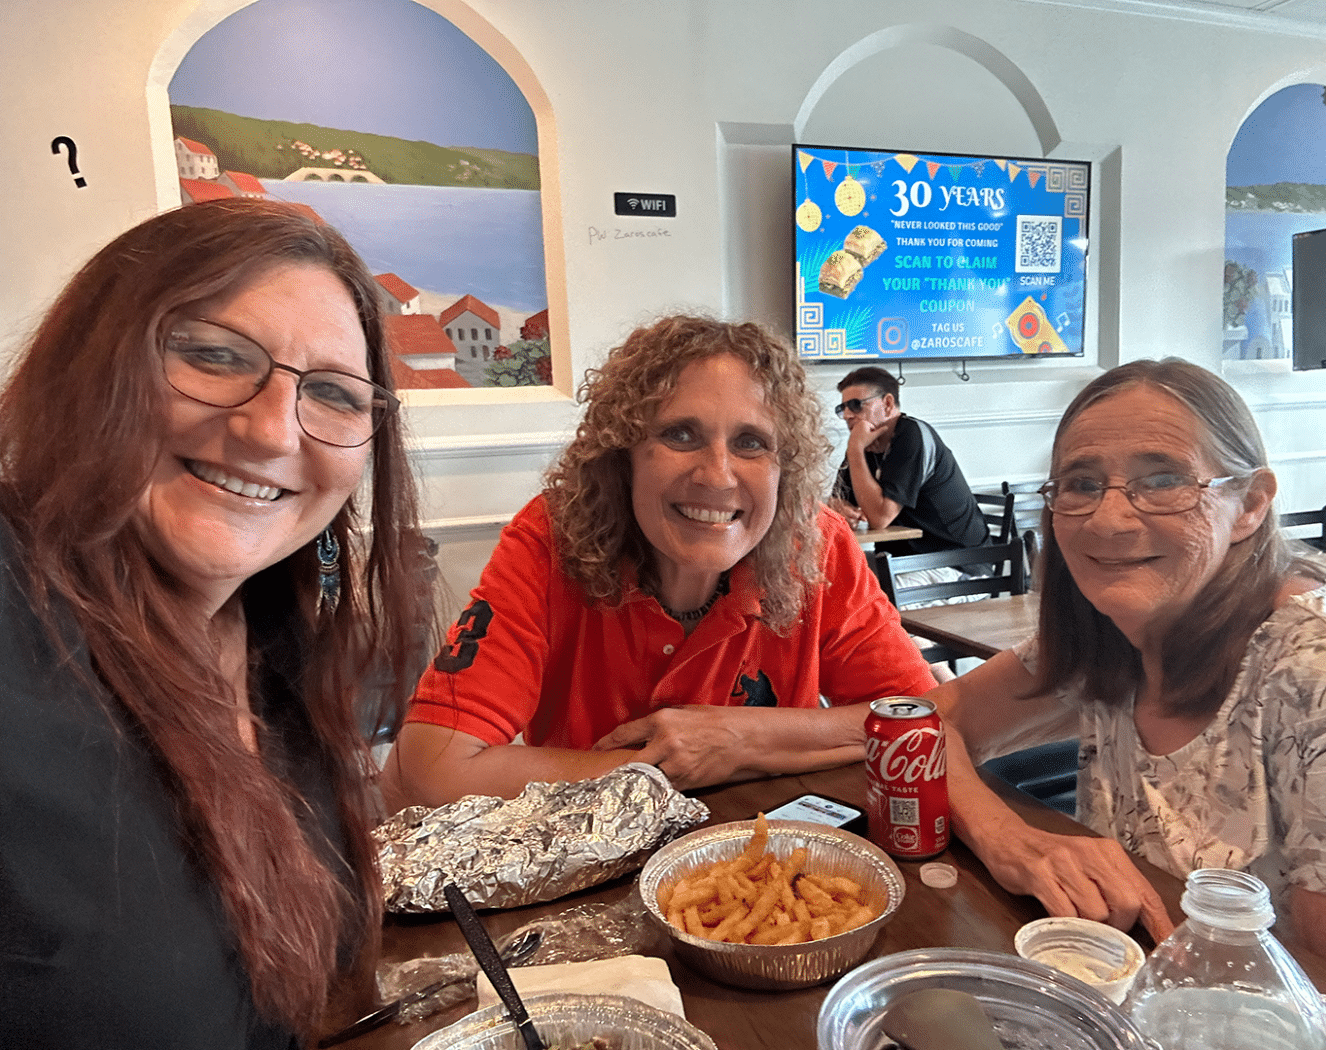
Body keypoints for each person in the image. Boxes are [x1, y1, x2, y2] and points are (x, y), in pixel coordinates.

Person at [0, 198, 427, 1048]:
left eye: (335, 395)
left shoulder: (276, 638)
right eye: (212, 355)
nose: (271, 429)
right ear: (93, 358)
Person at [936, 357, 1326, 994]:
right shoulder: (1114, 627)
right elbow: (929, 720)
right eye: (1080, 484)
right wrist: (1007, 838)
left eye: (1163, 480)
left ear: (1250, 505)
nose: (1109, 520)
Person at [381, 316, 936, 806]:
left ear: (783, 469)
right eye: (679, 434)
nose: (717, 474)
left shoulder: (815, 544)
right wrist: (668, 761)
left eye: (750, 443)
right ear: (622, 455)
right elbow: (429, 768)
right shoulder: (551, 539)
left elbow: (923, 719)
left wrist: (739, 739)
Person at [829, 365, 989, 557]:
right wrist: (840, 509)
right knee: (834, 582)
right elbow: (836, 501)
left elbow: (880, 518)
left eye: (856, 405)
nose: (847, 415)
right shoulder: (863, 442)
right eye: (843, 408)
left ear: (887, 404)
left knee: (867, 585)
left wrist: (854, 450)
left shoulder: (911, 436)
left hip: (954, 558)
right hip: (902, 558)